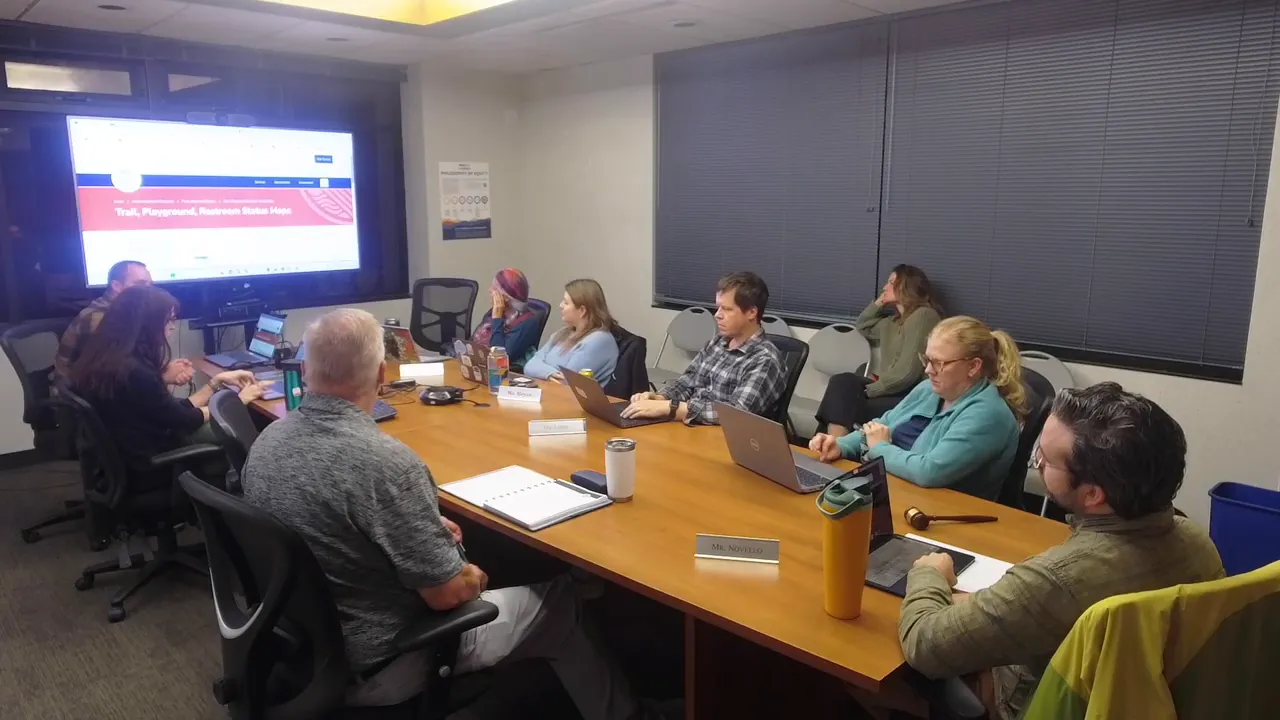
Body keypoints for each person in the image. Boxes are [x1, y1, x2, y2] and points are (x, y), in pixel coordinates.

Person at [240, 309, 640, 718]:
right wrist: (474, 577)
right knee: (561, 602)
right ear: (381, 374)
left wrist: (419, 531)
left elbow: (332, 525)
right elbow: (448, 594)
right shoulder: (386, 463)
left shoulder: (268, 440)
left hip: (302, 646)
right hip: (388, 659)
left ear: (306, 369)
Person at [896, 383, 1224, 720]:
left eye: (1046, 460)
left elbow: (925, 645)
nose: (1037, 464)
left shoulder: (1056, 580)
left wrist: (928, 574)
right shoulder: (1199, 541)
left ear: (1094, 495)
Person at [67, 285, 265, 485]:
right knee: (245, 427)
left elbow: (168, 410)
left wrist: (215, 384)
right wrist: (237, 402)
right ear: (147, 324)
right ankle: (248, 493)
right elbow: (184, 419)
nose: (171, 327)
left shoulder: (110, 359)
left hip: (130, 454)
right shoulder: (135, 372)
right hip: (150, 461)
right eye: (168, 320)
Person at [810, 316, 1023, 500]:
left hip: (941, 515)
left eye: (939, 363)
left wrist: (879, 449)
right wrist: (840, 446)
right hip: (896, 492)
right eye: (927, 359)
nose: (929, 370)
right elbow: (880, 426)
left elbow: (928, 472)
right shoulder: (929, 390)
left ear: (973, 367)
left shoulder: (988, 414)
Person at [622, 271, 785, 426]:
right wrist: (660, 398)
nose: (717, 315)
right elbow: (687, 383)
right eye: (718, 307)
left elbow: (735, 414)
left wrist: (671, 408)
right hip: (692, 427)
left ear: (751, 312)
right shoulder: (718, 342)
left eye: (727, 309)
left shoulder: (765, 359)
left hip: (723, 440)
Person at [816, 265, 942, 437]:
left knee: (846, 403)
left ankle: (832, 448)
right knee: (842, 381)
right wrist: (879, 303)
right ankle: (834, 445)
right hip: (888, 389)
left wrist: (870, 390)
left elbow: (906, 374)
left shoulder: (924, 316)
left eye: (891, 282)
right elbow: (863, 327)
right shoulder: (891, 323)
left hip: (909, 394)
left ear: (906, 285)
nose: (884, 288)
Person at [54, 259, 193, 387]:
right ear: (116, 286)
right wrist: (163, 377)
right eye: (140, 284)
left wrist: (165, 370)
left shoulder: (122, 314)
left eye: (150, 285)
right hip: (79, 405)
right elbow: (116, 380)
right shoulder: (99, 319)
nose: (148, 291)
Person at [523, 279, 620, 386]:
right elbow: (530, 365)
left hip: (570, 400)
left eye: (566, 302)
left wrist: (542, 369)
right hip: (548, 393)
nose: (561, 305)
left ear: (582, 310)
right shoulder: (563, 332)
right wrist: (549, 374)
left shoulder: (599, 340)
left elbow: (567, 381)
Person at [472, 268, 541, 364]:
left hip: (505, 374)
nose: (489, 291)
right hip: (480, 366)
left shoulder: (528, 322)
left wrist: (497, 319)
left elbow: (500, 357)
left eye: (494, 289)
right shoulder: (494, 312)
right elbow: (473, 343)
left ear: (506, 297)